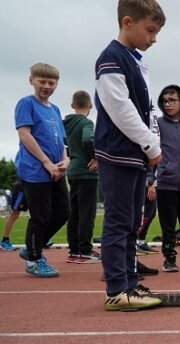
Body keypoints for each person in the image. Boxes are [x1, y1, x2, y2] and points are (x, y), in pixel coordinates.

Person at [94, 0, 166, 311]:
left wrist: (150, 144)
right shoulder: (111, 58)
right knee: (119, 221)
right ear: (127, 22)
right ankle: (117, 289)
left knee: (132, 222)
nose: (154, 38)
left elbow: (141, 110)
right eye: (150, 30)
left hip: (133, 153)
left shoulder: (131, 61)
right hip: (119, 152)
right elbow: (120, 109)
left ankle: (129, 281)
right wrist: (151, 144)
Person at [14, 62, 70, 278]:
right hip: (35, 170)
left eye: (51, 82)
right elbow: (25, 134)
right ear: (31, 81)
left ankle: (31, 248)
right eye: (42, 81)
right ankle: (35, 259)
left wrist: (65, 160)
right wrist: (46, 162)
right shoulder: (26, 104)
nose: (47, 86)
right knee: (41, 216)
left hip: (57, 170)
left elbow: (62, 141)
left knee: (63, 212)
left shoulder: (55, 109)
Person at [153, 84, 180, 272]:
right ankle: (169, 258)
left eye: (172, 100)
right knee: (167, 225)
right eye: (164, 101)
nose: (167, 105)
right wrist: (151, 179)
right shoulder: (158, 124)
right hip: (166, 182)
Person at [64, 90, 100, 264]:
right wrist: (95, 157)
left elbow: (67, 143)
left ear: (72, 105)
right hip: (87, 172)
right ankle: (85, 250)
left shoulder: (66, 123)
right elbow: (88, 139)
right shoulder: (87, 122)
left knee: (75, 212)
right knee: (87, 212)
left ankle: (74, 250)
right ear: (91, 106)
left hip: (73, 170)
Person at [1, 181, 27, 252]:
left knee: (38, 214)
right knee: (15, 215)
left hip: (34, 189)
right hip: (22, 188)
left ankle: (41, 240)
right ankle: (4, 240)